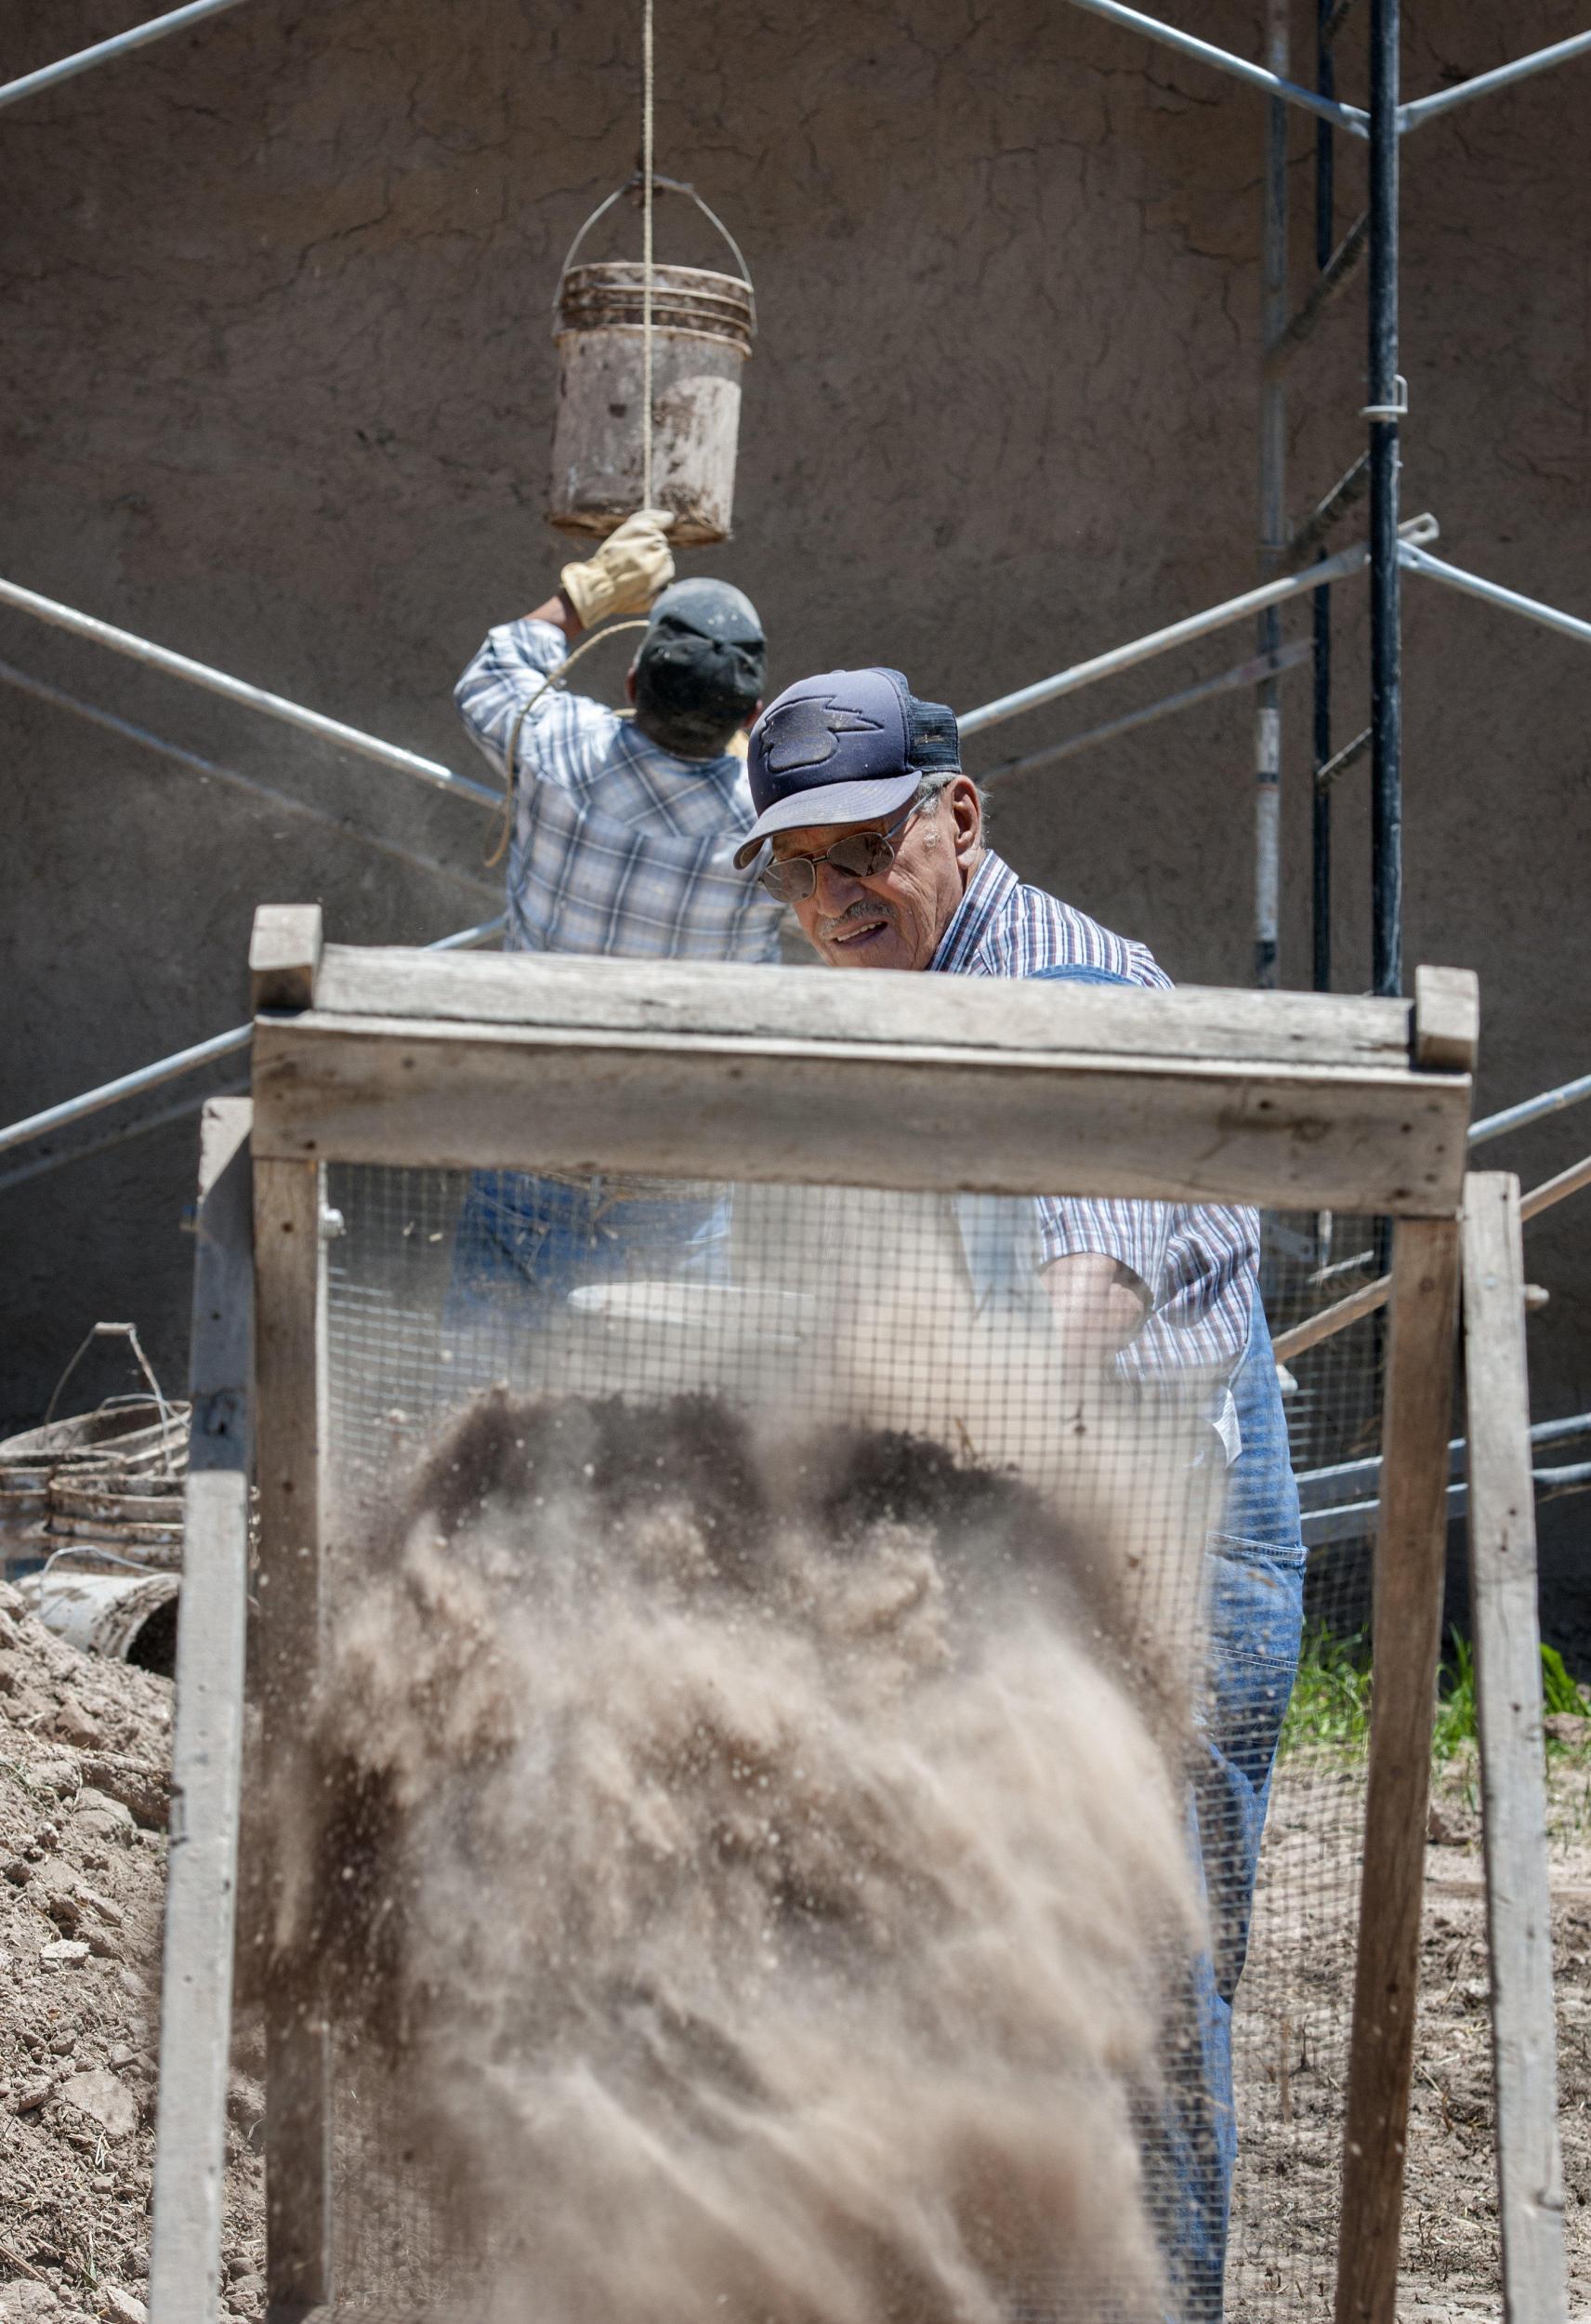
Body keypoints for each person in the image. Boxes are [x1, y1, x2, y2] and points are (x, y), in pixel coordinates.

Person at [734, 666, 1305, 2317]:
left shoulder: (1059, 980)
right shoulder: (878, 994)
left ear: (958, 817)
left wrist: (957, 1431)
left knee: (1136, 1949)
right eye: (797, 870)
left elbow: (1087, 1273)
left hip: (1165, 1533)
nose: (833, 899)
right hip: (1001, 1511)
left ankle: (1164, 2301)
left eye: (862, 854)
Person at [447, 512, 782, 1324]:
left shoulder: (562, 752)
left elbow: (491, 678)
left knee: (482, 1409)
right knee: (665, 1423)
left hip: (533, 1148)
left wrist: (585, 593)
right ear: (749, 716)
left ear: (632, 685)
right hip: (680, 1173)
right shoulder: (771, 827)